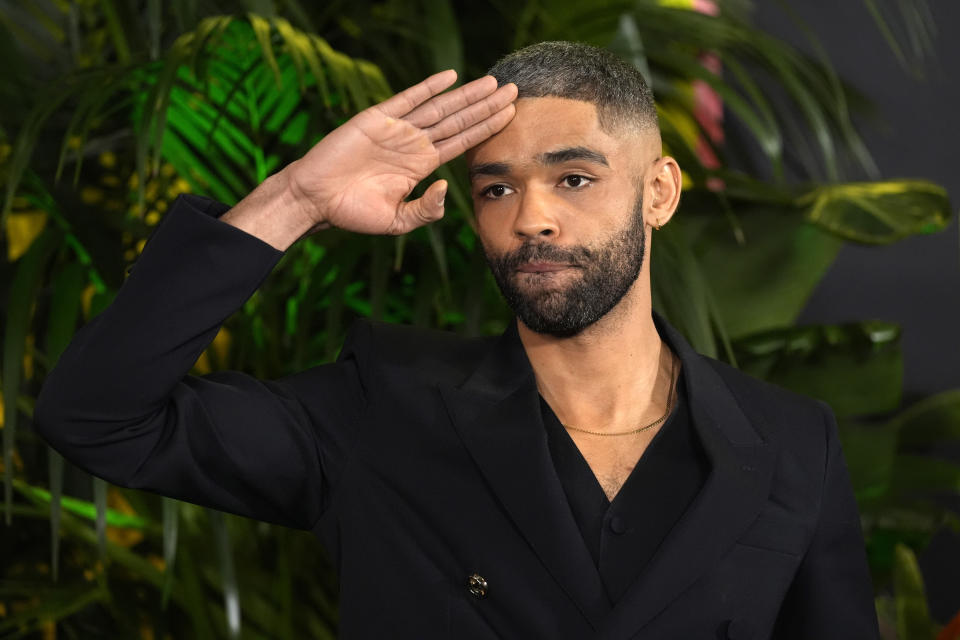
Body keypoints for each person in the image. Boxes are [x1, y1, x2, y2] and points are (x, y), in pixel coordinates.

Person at [34, 41, 879, 639]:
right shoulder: (381, 408)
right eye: (496, 188)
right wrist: (294, 198)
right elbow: (99, 419)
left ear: (658, 191)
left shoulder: (794, 443)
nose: (531, 218)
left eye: (574, 178)